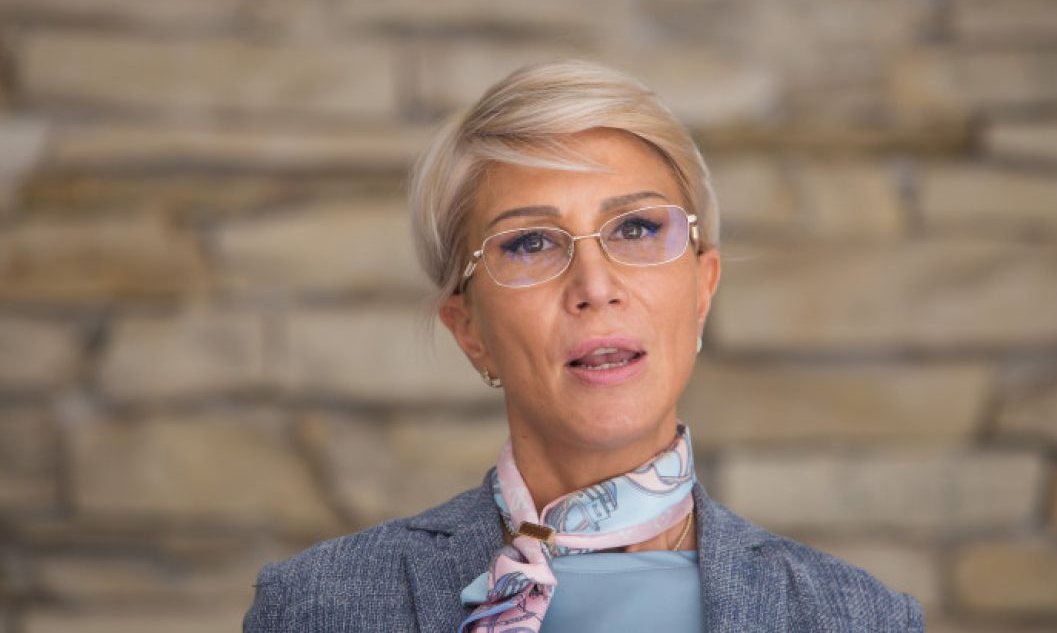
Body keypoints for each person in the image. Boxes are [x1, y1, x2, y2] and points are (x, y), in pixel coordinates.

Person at [243, 59, 924, 632]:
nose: (595, 287)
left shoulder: (861, 619)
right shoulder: (315, 608)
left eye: (635, 228)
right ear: (469, 328)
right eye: (530, 242)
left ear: (702, 288)